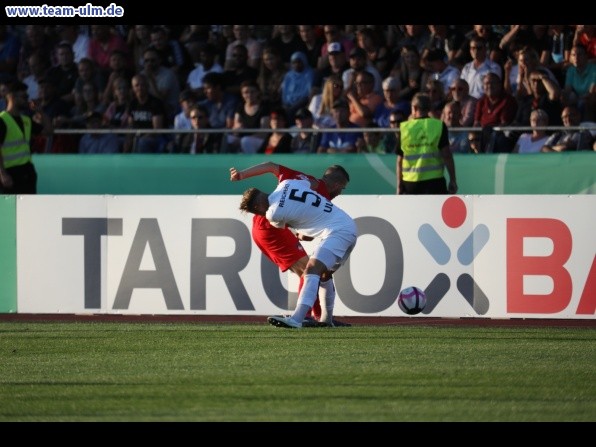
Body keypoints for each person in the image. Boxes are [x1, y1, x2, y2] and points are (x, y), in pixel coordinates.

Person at [230, 162, 352, 327]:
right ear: (337, 185)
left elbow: (270, 166)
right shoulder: (321, 195)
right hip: (270, 228)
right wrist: (300, 233)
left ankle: (319, 317)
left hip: (265, 225)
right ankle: (307, 316)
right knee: (308, 270)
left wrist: (242, 175)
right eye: (342, 189)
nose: (340, 193)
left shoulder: (299, 177)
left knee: (317, 271)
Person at [396, 92, 457, 195]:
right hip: (434, 181)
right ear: (429, 108)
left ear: (414, 108)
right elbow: (446, 155)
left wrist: (399, 185)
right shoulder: (439, 126)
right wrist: (453, 180)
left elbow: (399, 161)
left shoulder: (404, 128)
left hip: (410, 182)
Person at [0, 81, 51, 193]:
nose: (27, 99)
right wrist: (2, 173)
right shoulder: (2, 120)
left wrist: (40, 111)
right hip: (10, 173)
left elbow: (49, 131)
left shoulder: (26, 120)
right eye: (24, 96)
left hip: (27, 170)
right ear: (12, 97)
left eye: (27, 96)